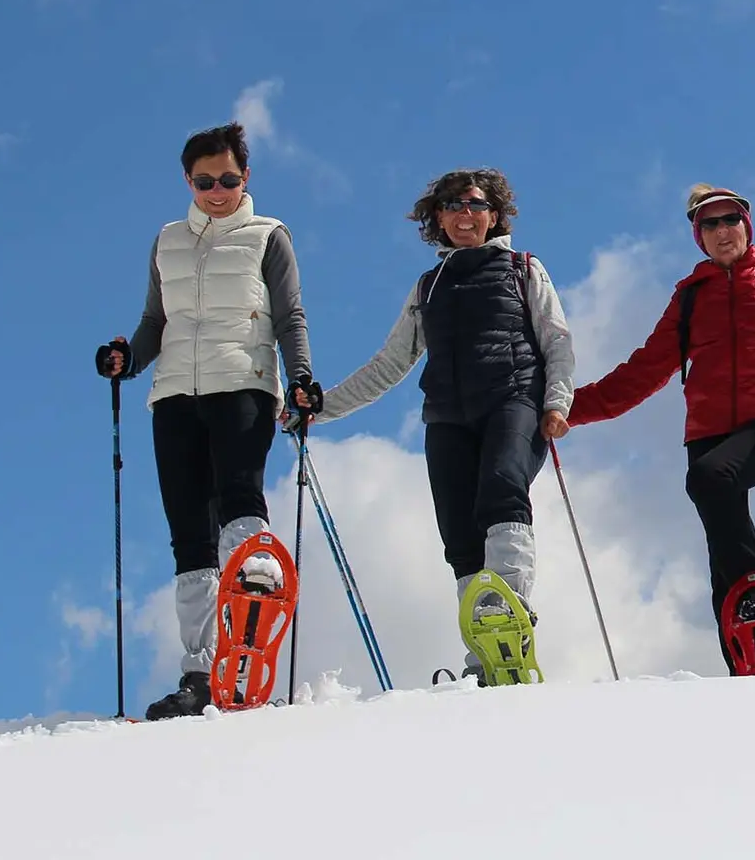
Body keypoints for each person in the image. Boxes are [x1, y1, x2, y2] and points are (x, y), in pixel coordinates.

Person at [565, 184, 755, 672]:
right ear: (699, 236)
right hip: (707, 429)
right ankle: (747, 665)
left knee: (711, 480)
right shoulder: (690, 299)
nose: (721, 231)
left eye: (729, 220)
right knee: (719, 546)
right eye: (709, 224)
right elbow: (642, 371)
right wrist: (568, 408)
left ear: (746, 225)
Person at [303, 168, 574, 683]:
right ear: (438, 220)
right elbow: (389, 364)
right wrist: (320, 408)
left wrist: (557, 402)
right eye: (451, 206)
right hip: (447, 415)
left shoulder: (522, 268)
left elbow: (556, 340)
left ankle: (509, 613)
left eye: (474, 204)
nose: (463, 214)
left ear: (493, 215)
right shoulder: (430, 285)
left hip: (513, 400)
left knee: (501, 491)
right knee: (459, 533)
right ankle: (484, 654)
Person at [95, 122, 322, 720]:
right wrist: (129, 360)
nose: (216, 190)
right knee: (189, 536)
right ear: (187, 181)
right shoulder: (167, 240)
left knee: (240, 498)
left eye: (227, 179)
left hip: (242, 383)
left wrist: (299, 378)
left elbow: (290, 315)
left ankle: (247, 643)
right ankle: (201, 671)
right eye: (204, 181)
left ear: (245, 177)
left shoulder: (268, 235)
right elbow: (154, 323)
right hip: (174, 396)